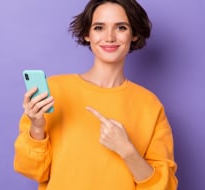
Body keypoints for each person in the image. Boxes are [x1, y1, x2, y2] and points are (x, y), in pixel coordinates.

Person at [14, 0, 178, 189]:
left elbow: (164, 186)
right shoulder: (53, 91)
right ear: (87, 34)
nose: (109, 37)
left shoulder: (149, 104)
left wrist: (127, 151)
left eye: (121, 27)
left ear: (134, 34)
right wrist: (37, 127)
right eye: (99, 27)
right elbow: (32, 171)